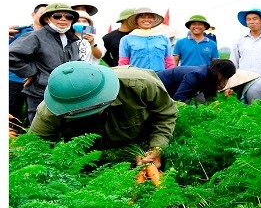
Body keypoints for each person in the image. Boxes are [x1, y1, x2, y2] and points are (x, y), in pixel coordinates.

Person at [29, 61, 178, 168]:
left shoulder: (140, 84)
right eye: (80, 113)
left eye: (94, 107)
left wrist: (156, 149)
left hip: (141, 151)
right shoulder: (50, 111)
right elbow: (33, 150)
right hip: (87, 163)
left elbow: (165, 114)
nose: (90, 115)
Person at [9, 3, 81, 125]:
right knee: (40, 135)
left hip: (66, 94)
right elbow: (11, 56)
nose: (63, 19)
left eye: (69, 16)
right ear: (47, 19)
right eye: (57, 16)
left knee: (64, 135)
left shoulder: (72, 40)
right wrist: (32, 73)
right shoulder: (35, 36)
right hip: (40, 94)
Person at [8, 3, 47, 125]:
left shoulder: (52, 35)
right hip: (15, 80)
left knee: (36, 115)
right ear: (33, 15)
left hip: (37, 82)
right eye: (42, 14)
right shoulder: (17, 32)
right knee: (13, 114)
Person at [156, 59, 236, 103]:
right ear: (219, 73)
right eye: (225, 77)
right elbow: (179, 99)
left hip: (168, 89)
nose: (224, 81)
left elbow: (206, 99)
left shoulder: (208, 75)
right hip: (157, 85)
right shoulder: (197, 75)